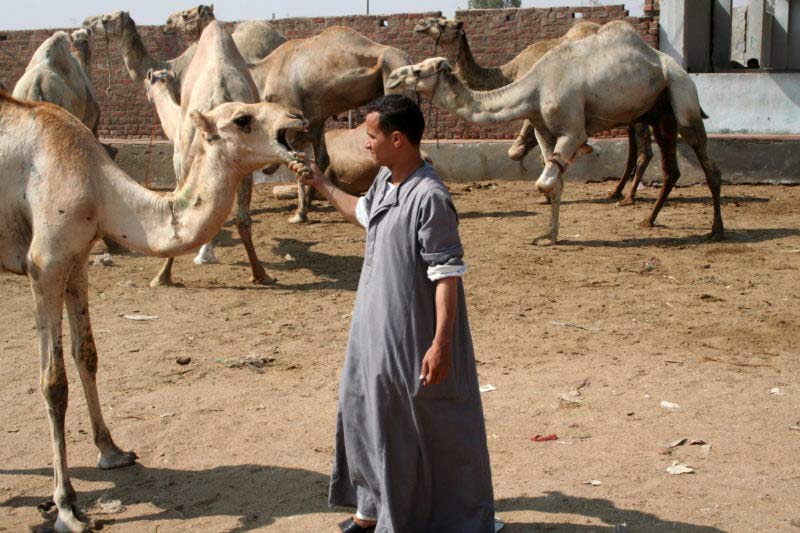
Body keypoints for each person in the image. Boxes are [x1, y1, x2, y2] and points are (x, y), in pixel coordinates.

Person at [289, 94, 495, 533]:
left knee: (419, 424)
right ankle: (371, 510)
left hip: (413, 333)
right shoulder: (384, 181)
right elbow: (362, 215)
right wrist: (319, 184)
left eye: (371, 135)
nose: (366, 144)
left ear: (397, 139)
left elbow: (446, 276)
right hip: (372, 326)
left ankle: (436, 518)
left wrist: (440, 345)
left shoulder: (430, 197)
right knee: (363, 407)